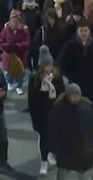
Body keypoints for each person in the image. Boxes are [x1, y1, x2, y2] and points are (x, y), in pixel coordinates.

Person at [58, 21, 93, 149]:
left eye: (86, 31)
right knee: (74, 111)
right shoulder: (70, 45)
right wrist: (69, 76)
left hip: (91, 83)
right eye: (81, 31)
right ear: (77, 32)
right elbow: (61, 64)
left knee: (92, 110)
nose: (84, 34)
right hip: (76, 84)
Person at [47, 83, 93, 180]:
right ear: (67, 95)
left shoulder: (86, 108)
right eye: (72, 96)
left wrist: (92, 146)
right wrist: (55, 150)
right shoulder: (58, 110)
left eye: (77, 95)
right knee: (63, 176)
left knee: (85, 176)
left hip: (83, 152)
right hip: (65, 152)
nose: (75, 98)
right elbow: (52, 132)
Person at [27, 46, 66, 176]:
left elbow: (62, 94)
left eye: (51, 65)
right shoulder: (35, 80)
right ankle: (44, 161)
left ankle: (51, 155)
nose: (50, 68)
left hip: (55, 114)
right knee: (44, 139)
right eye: (47, 66)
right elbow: (32, 102)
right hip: (42, 115)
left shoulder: (57, 78)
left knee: (54, 138)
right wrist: (35, 121)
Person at [0, 13, 30, 95]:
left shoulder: (24, 31)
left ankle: (18, 86)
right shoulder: (5, 31)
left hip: (20, 55)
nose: (14, 24)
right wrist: (8, 46)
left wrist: (18, 45)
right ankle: (10, 83)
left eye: (16, 22)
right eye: (13, 22)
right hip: (8, 55)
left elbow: (27, 42)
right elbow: (0, 42)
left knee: (20, 72)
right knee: (8, 72)